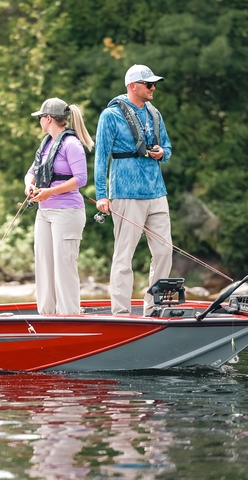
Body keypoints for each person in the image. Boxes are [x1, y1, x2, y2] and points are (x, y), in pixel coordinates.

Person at [93, 64, 173, 317]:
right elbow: (101, 156)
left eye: (154, 83)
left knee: (164, 251)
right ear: (132, 86)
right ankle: (121, 311)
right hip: (126, 193)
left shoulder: (155, 113)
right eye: (148, 84)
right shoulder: (110, 116)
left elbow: (168, 148)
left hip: (157, 192)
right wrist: (102, 194)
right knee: (124, 254)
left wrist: (162, 153)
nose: (153, 88)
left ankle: (155, 308)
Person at [25, 98, 94, 315]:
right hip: (44, 213)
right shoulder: (46, 144)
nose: (39, 122)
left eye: (40, 118)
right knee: (44, 265)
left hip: (67, 212)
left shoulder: (72, 144)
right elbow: (32, 172)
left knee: (64, 266)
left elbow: (81, 179)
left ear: (48, 119)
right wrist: (29, 185)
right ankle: (46, 315)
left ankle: (70, 315)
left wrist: (50, 192)